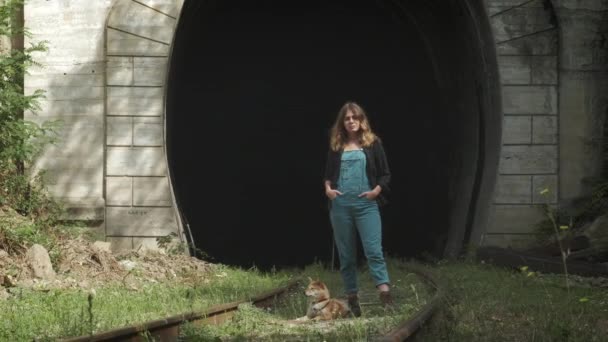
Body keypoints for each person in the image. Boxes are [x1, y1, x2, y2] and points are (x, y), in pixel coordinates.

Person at [323, 101, 393, 317]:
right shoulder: (336, 147)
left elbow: (385, 174)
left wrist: (376, 191)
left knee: (374, 251)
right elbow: (327, 175)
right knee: (347, 255)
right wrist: (328, 190)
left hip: (366, 205)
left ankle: (386, 296)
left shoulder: (373, 143)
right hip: (341, 207)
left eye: (355, 117)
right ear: (342, 122)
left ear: (362, 120)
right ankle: (352, 299)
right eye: (347, 118)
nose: (351, 121)